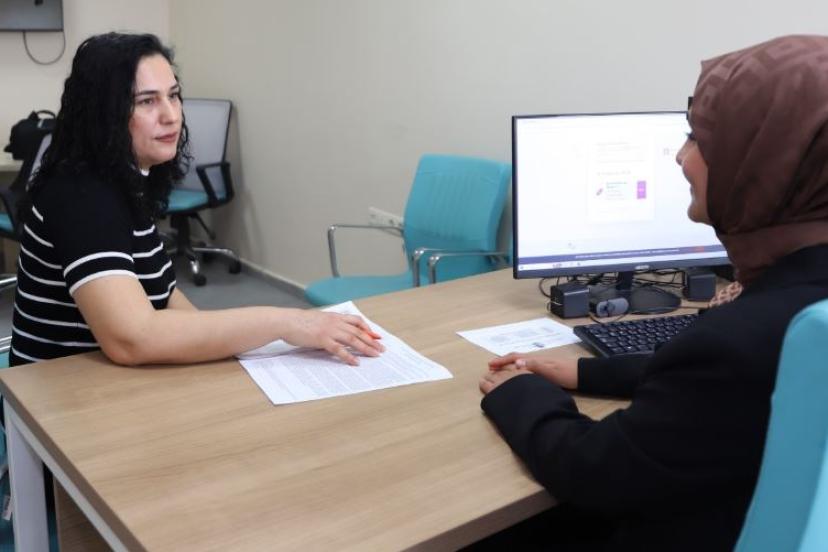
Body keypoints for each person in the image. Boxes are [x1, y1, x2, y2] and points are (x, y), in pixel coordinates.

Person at [477, 35, 828, 551]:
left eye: (698, 139)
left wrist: (518, 394)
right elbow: (748, 384)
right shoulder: (800, 308)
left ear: (764, 163)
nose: (681, 157)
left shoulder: (740, 338)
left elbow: (596, 472)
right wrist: (586, 372)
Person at [8, 32, 384, 368]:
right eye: (147, 101)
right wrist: (288, 322)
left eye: (173, 96)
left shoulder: (129, 180)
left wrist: (233, 350)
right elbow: (132, 338)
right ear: (103, 114)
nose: (171, 115)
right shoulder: (83, 194)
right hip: (59, 402)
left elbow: (166, 297)